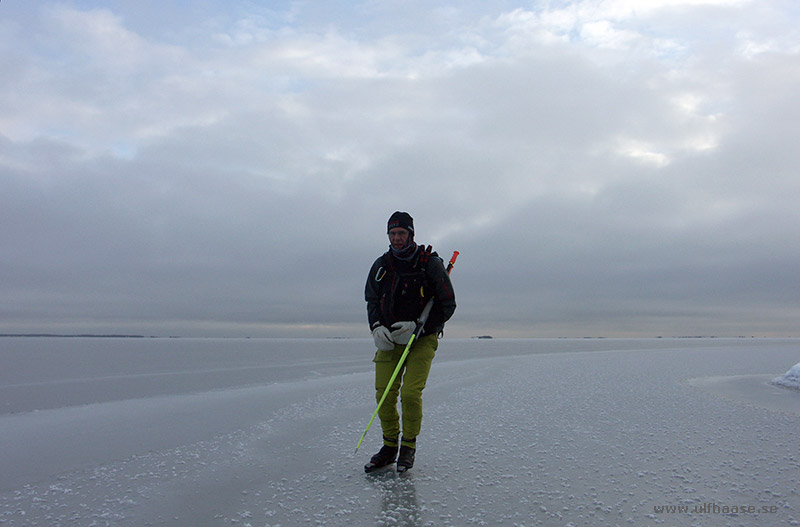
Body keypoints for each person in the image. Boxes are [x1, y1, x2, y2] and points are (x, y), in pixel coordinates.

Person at [363, 211, 456, 472]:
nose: (397, 238)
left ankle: (408, 447)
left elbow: (448, 303)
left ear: (411, 234)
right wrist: (376, 327)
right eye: (392, 234)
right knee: (384, 394)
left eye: (401, 233)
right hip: (390, 340)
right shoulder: (381, 266)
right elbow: (371, 299)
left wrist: (419, 326)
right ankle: (389, 445)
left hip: (422, 339)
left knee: (410, 394)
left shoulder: (429, 264)